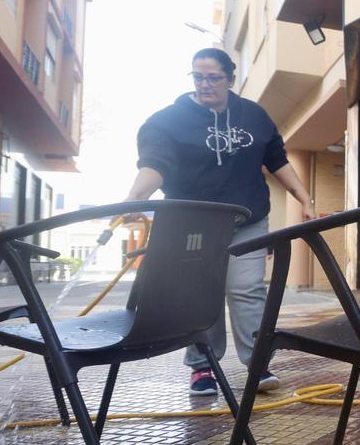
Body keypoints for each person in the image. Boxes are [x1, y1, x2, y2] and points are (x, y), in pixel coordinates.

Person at [124, 48, 316, 396]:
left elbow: (277, 160)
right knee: (200, 295)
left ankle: (258, 363)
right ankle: (203, 368)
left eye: (213, 77)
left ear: (230, 78)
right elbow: (155, 164)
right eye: (198, 76)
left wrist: (304, 198)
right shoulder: (167, 121)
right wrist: (133, 198)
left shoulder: (254, 116)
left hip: (248, 220)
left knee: (247, 290)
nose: (204, 84)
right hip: (193, 226)